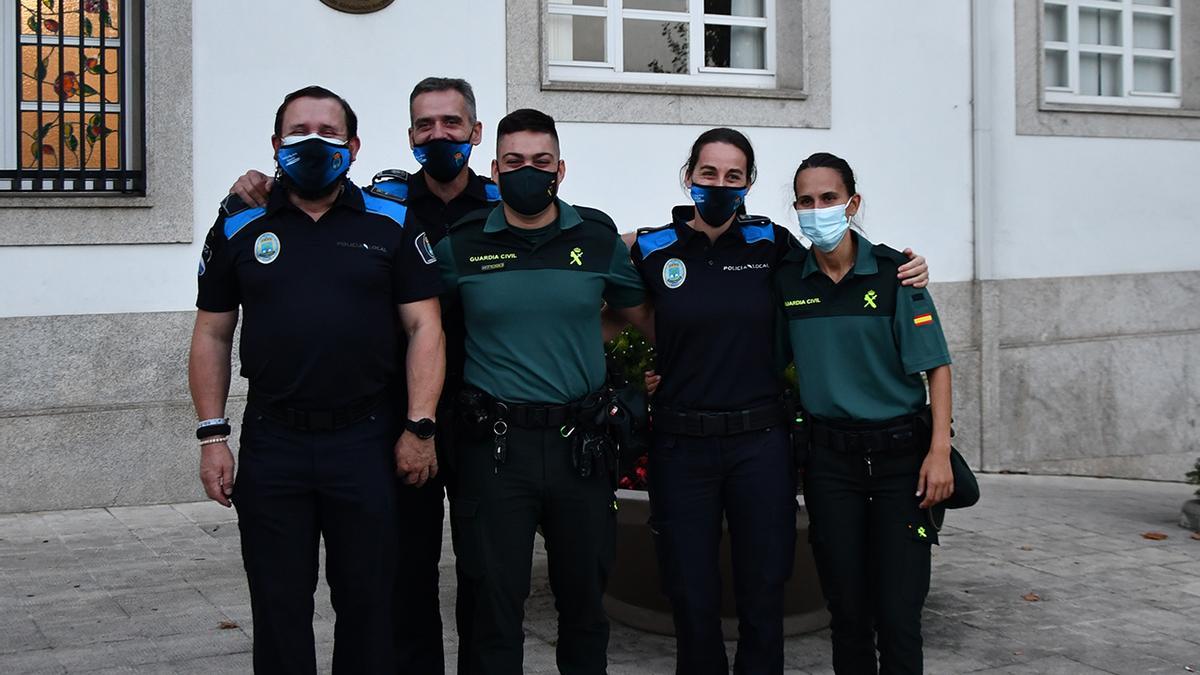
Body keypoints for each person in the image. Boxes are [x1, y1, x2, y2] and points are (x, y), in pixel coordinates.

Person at [623, 129, 928, 675]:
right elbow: (600, 285)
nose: (720, 185)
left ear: (749, 184)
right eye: (709, 173)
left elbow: (835, 269)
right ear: (689, 176)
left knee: (764, 586)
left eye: (734, 176)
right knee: (689, 589)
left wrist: (909, 268)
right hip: (681, 444)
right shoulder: (651, 247)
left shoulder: (772, 242)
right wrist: (661, 354)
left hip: (759, 443)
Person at [227, 77, 498, 674]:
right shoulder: (388, 204)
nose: (438, 135)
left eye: (451, 123)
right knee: (401, 576)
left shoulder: (505, 205)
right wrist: (253, 187)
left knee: (485, 571)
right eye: (425, 125)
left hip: (481, 415)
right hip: (399, 415)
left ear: (475, 132)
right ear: (408, 136)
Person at [189, 85, 445, 673]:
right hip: (273, 441)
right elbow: (212, 335)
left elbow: (424, 328)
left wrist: (420, 427)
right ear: (275, 144)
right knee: (278, 604)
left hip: (365, 440)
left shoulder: (392, 222)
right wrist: (212, 436)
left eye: (329, 133)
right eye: (299, 131)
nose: (313, 142)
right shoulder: (238, 225)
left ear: (353, 147)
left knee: (368, 603)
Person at [436, 108, 651, 674]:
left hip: (581, 446)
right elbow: (425, 327)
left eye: (540, 161)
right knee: (493, 605)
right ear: (495, 170)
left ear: (560, 169)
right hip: (496, 449)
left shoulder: (596, 238)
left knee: (585, 604)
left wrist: (584, 334)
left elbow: (639, 315)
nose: (528, 172)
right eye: (514, 162)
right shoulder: (461, 246)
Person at [776, 152, 953, 674]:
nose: (818, 210)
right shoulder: (789, 282)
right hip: (831, 465)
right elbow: (754, 353)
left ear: (852, 203)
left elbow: (937, 367)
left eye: (829, 198)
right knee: (847, 613)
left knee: (899, 615)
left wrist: (939, 452)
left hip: (901, 464)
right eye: (806, 201)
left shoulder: (897, 273)